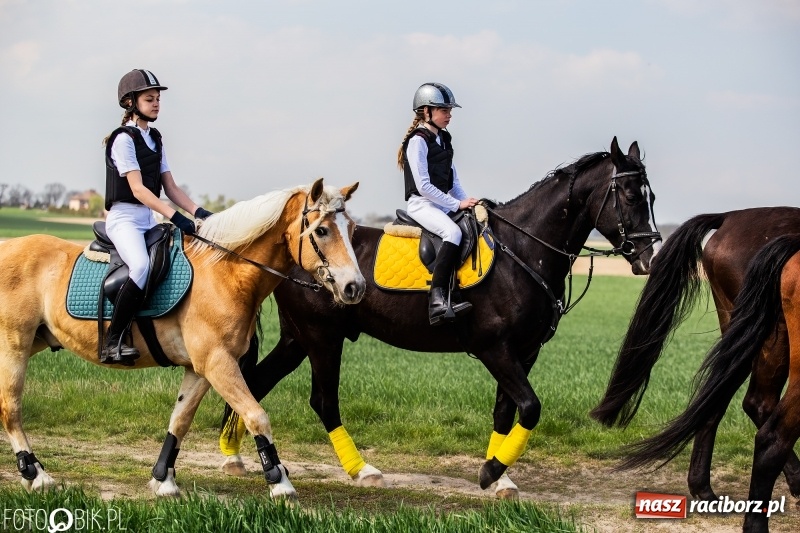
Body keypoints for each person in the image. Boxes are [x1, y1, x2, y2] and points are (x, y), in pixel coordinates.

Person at [101, 69, 213, 366]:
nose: (156, 104)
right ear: (130, 102)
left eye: (158, 99)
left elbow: (171, 187)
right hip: (124, 219)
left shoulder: (155, 138)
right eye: (149, 99)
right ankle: (112, 341)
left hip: (148, 219)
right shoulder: (123, 140)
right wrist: (175, 217)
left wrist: (199, 213)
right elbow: (138, 189)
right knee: (140, 266)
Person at [397, 82, 479, 326]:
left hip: (441, 203)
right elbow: (423, 186)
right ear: (426, 112)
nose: (449, 114)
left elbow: (454, 182)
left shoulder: (444, 139)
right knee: (453, 233)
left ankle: (459, 290)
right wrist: (456, 204)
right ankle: (437, 300)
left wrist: (468, 202)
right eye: (444, 110)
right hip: (422, 204)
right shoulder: (417, 141)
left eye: (449, 110)